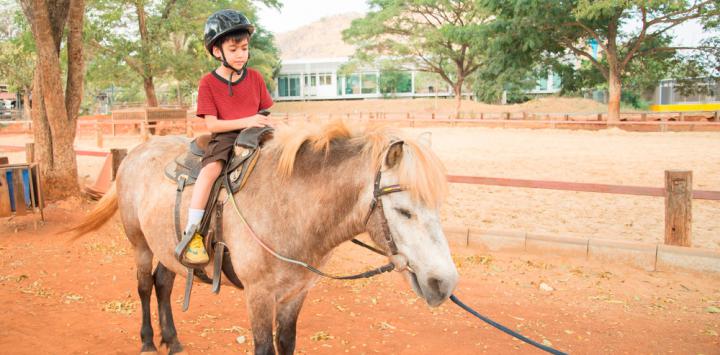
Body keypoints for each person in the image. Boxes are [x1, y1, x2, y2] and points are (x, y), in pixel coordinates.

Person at [177, 9, 273, 266]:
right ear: (217, 52)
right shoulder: (208, 83)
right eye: (234, 49)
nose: (241, 54)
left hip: (257, 133)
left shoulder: (255, 77)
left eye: (244, 48)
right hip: (225, 136)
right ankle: (193, 232)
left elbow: (264, 110)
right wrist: (247, 121)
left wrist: (260, 123)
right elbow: (211, 124)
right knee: (210, 172)